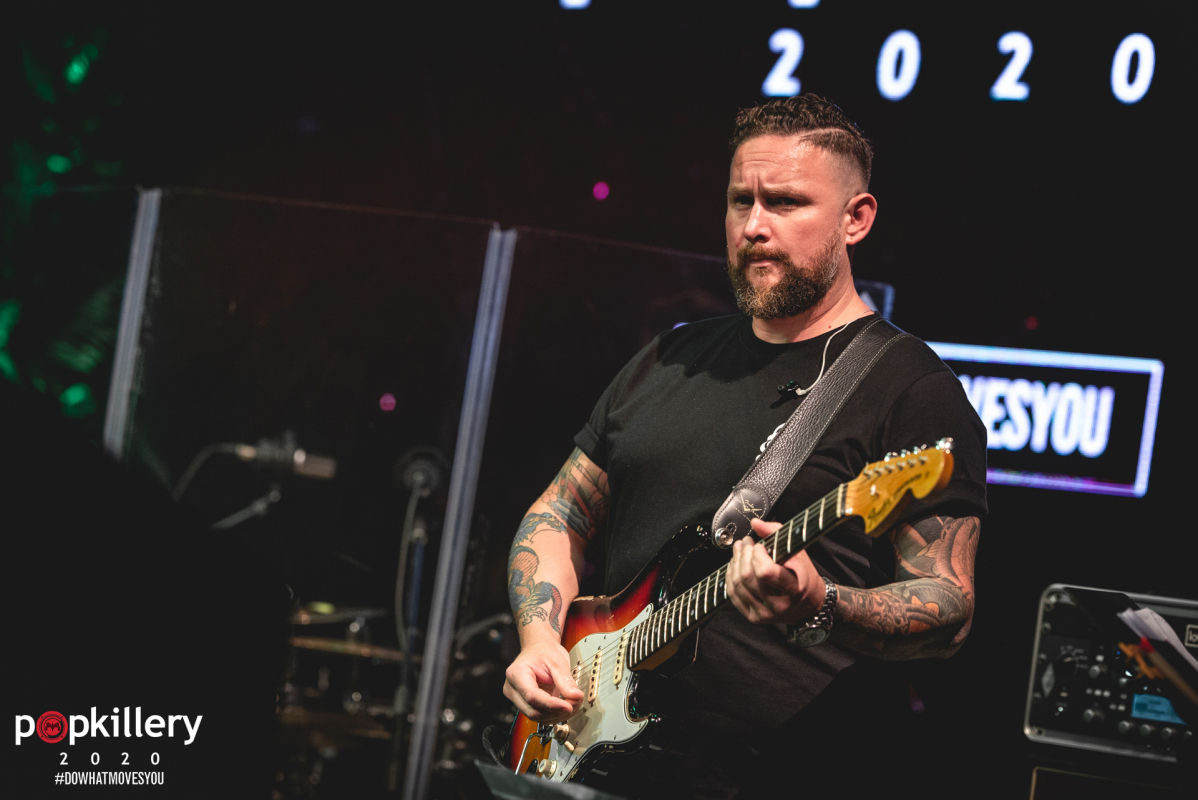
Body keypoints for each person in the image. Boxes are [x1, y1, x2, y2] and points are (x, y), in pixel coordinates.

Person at [502, 94, 987, 797]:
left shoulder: (910, 388)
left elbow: (947, 606)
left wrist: (821, 602)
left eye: (786, 203)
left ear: (856, 219)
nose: (755, 226)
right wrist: (541, 641)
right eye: (740, 202)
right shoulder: (669, 357)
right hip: (599, 766)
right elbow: (561, 513)